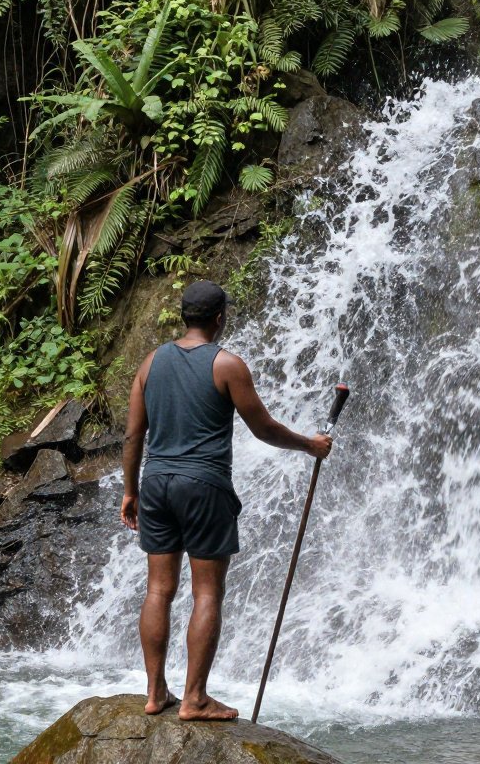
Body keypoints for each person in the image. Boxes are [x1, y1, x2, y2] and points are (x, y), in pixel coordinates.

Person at [119, 280, 333, 721]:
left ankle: (155, 692)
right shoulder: (227, 365)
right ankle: (194, 699)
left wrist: (130, 490)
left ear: (184, 316)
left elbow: (133, 435)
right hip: (204, 486)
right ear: (219, 318)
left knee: (158, 589)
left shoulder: (151, 362)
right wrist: (309, 445)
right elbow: (264, 428)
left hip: (156, 483)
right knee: (207, 593)